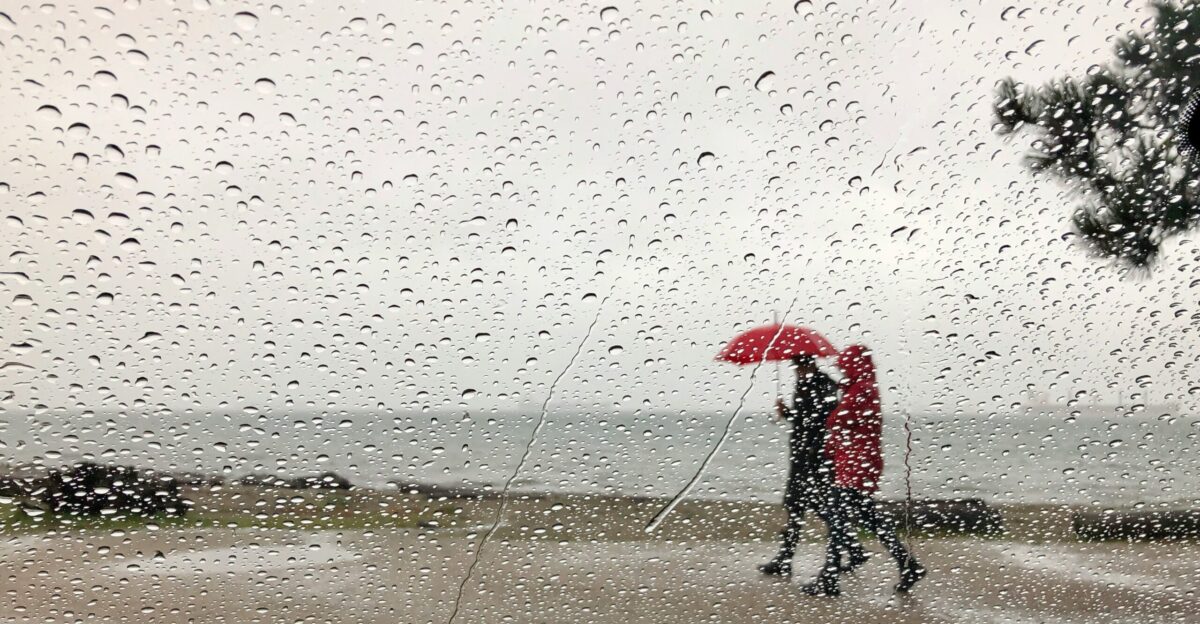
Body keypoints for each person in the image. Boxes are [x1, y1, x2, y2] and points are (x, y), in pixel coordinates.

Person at [810, 345, 925, 596]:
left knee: (838, 517)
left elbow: (838, 420)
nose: (840, 368)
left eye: (845, 364)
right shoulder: (857, 388)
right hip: (852, 460)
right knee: (868, 517)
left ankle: (829, 578)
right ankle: (908, 565)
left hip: (858, 462)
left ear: (855, 364)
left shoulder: (862, 389)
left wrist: (832, 412)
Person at [759, 354, 861, 582]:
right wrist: (787, 413)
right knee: (797, 503)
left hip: (816, 455)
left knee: (812, 502)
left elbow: (822, 418)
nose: (797, 371)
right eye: (795, 367)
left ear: (810, 364)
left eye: (800, 366)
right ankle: (787, 557)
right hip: (802, 454)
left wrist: (797, 416)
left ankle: (851, 548)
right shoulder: (804, 384)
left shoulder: (824, 384)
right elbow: (803, 419)